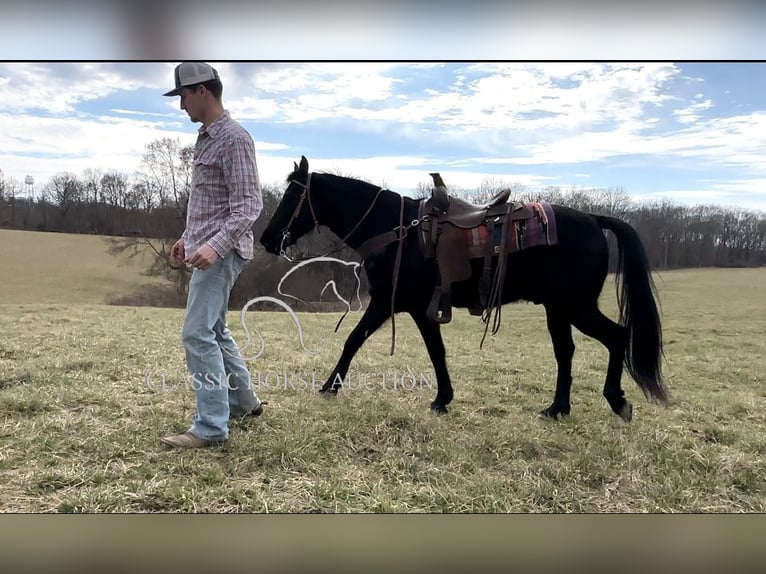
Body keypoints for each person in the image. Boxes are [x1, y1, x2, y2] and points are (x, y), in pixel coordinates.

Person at [160, 62, 265, 448]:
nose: (181, 105)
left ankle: (210, 428)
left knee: (196, 334)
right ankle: (245, 403)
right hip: (205, 248)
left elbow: (248, 206)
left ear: (202, 91)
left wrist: (213, 246)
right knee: (215, 331)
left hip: (222, 253)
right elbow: (209, 201)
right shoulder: (206, 139)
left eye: (183, 96)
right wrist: (188, 237)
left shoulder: (234, 138)